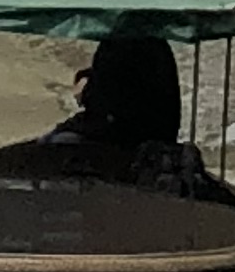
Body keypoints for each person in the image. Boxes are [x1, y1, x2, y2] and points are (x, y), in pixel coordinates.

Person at [38, 25, 211, 194]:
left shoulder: (121, 43)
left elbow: (110, 98)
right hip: (150, 136)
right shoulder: (155, 44)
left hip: (120, 140)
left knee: (56, 145)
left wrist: (87, 91)